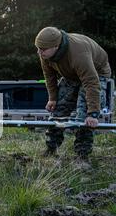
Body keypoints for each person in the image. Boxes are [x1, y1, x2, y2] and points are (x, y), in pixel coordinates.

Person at [35, 27, 111, 163]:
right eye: (38, 48)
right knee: (57, 112)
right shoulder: (45, 54)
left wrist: (93, 113)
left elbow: (91, 83)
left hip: (96, 74)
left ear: (56, 46)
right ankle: (51, 148)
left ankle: (82, 155)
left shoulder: (78, 53)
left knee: (83, 118)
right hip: (71, 75)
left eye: (43, 49)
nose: (39, 52)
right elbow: (49, 76)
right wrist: (52, 99)